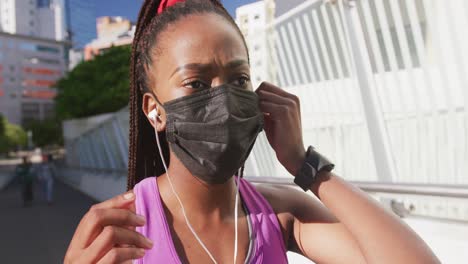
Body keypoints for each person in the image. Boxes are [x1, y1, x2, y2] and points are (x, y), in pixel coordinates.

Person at [64, 0, 440, 263]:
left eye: (238, 79)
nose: (224, 98)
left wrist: (306, 165)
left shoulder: (281, 213)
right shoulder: (121, 229)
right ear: (154, 110)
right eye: (195, 83)